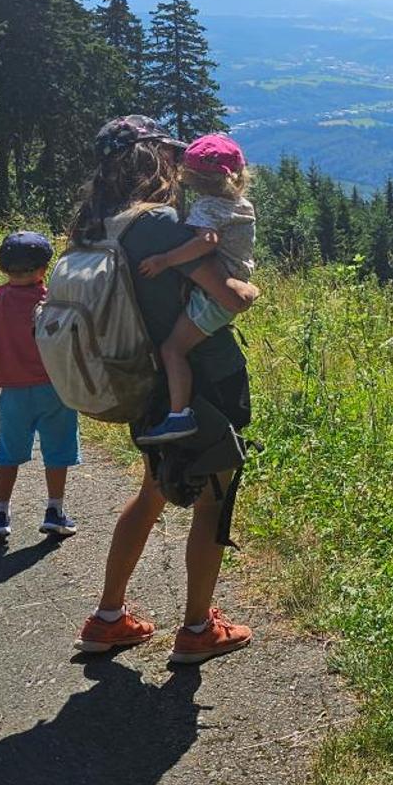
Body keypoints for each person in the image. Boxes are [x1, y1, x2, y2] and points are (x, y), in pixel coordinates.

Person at [69, 115, 260, 665]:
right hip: (205, 379)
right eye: (170, 156)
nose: (179, 167)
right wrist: (247, 288)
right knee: (213, 500)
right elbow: (227, 296)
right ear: (151, 159)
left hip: (147, 382)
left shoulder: (97, 223)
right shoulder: (155, 225)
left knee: (154, 488)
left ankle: (108, 618)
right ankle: (198, 627)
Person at [134, 133, 256, 447]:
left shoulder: (206, 207)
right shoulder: (240, 204)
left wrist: (165, 260)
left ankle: (179, 415)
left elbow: (207, 242)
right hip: (231, 284)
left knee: (173, 349)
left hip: (214, 297)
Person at [0, 230, 79, 543]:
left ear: (3, 267)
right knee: (58, 449)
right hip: (54, 388)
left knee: (7, 452)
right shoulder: (51, 301)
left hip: (12, 392)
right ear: (43, 269)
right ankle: (55, 511)